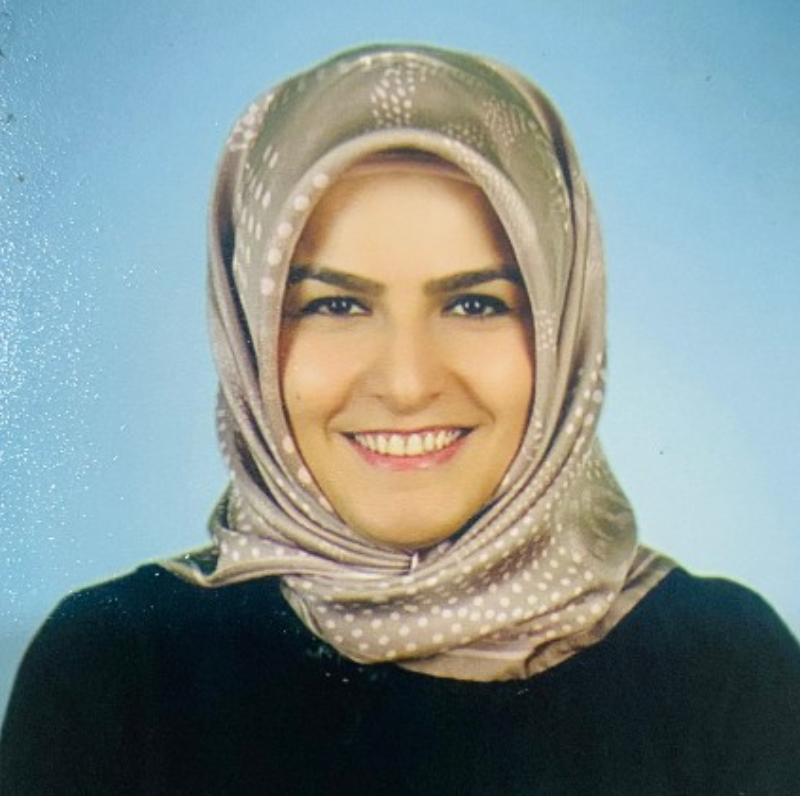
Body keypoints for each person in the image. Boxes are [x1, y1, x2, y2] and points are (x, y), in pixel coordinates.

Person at [2, 43, 799, 795]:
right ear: (248, 331)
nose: (408, 383)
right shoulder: (116, 670)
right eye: (335, 305)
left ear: (564, 328)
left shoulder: (723, 669)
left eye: (476, 303)